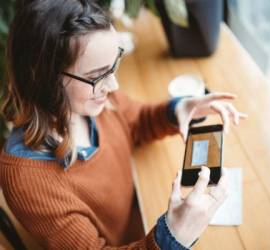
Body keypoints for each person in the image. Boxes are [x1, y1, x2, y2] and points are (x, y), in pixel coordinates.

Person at [0, 0, 247, 249]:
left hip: (140, 212)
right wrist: (173, 237)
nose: (114, 86)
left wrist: (177, 110)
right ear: (41, 77)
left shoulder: (91, 100)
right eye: (96, 76)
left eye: (114, 67)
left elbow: (136, 122)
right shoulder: (28, 181)